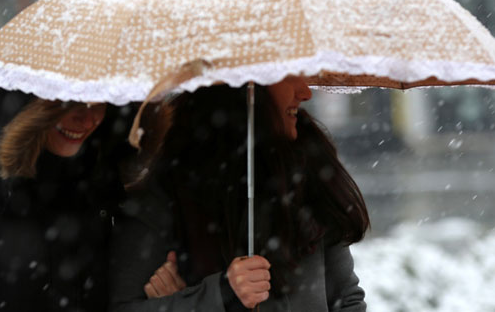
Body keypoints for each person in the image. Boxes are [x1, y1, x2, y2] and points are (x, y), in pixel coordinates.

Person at [109, 76, 370, 311]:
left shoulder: (311, 172)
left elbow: (346, 300)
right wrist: (220, 294)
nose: (305, 92)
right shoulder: (164, 196)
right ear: (245, 86)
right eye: (290, 77)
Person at [0, 87, 137, 312]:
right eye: (71, 100)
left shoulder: (95, 189)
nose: (87, 120)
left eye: (99, 102)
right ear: (21, 94)